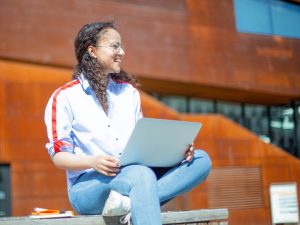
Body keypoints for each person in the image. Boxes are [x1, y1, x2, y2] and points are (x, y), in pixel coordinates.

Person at [44, 21, 212, 225]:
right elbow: (59, 157)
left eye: (122, 46)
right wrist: (93, 161)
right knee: (140, 175)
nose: (122, 52)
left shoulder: (129, 93)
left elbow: (142, 143)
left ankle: (129, 202)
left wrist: (177, 151)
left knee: (200, 160)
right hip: (88, 185)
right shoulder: (64, 97)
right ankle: (138, 200)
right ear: (92, 51)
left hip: (135, 174)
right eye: (115, 46)